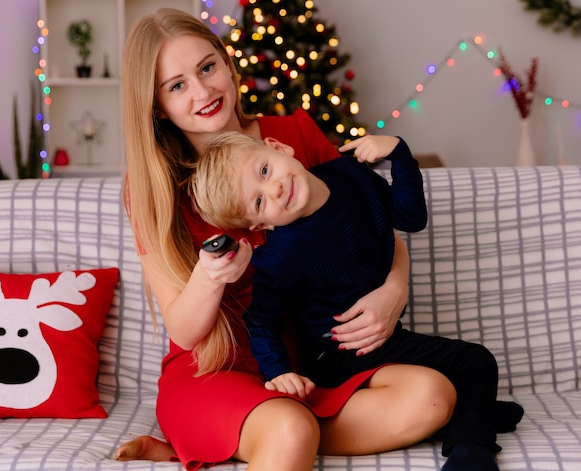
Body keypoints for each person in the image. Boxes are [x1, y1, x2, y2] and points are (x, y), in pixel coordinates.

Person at [116, 7, 460, 471]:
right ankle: (252, 433)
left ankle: (237, 442)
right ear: (156, 106)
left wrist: (393, 291)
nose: (202, 91)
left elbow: (372, 225)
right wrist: (210, 277)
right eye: (176, 86)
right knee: (290, 428)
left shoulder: (292, 134)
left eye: (207, 67)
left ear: (227, 61)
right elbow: (182, 329)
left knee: (433, 398)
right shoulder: (151, 186)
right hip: (217, 371)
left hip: (306, 367)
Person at [190, 130, 524, 471]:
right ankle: (472, 450)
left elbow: (410, 219)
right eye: (259, 202)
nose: (274, 189)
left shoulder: (350, 175)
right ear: (260, 223)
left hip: (383, 336)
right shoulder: (280, 255)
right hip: (337, 353)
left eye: (264, 171)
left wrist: (400, 155)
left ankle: (473, 414)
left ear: (277, 147)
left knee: (463, 366)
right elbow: (261, 319)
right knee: (475, 361)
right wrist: (278, 371)